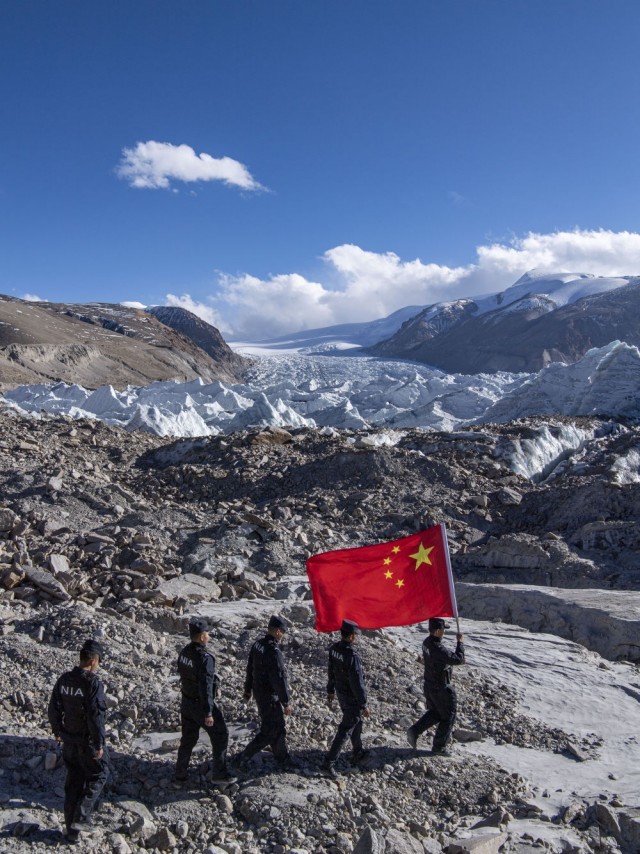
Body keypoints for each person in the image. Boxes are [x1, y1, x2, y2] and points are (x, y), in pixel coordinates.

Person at [48, 639, 109, 843]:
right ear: (93, 661)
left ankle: (71, 832)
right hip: (87, 742)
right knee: (100, 774)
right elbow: (95, 716)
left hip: (69, 741)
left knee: (73, 781)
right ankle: (82, 817)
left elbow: (53, 707)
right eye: (98, 661)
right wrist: (99, 744)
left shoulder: (64, 679)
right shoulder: (92, 683)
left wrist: (57, 730)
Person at [175, 617, 235, 786]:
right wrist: (208, 712)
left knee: (188, 739)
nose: (209, 636)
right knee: (221, 734)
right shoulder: (205, 658)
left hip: (186, 701)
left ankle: (179, 776)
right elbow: (206, 686)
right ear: (202, 637)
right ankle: (220, 774)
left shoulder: (184, 652)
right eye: (207, 633)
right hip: (200, 704)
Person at [237, 615, 293, 771]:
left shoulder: (257, 645)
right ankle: (244, 756)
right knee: (269, 730)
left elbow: (250, 668)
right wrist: (286, 702)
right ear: (277, 631)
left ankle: (282, 757)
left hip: (258, 692)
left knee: (278, 726)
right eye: (282, 632)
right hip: (269, 696)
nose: (283, 635)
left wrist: (247, 690)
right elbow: (279, 679)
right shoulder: (274, 652)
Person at [406, 617, 465, 756]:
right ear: (438, 631)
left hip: (429, 685)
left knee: (436, 713)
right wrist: (460, 643)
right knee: (448, 716)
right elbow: (459, 659)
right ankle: (439, 747)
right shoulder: (439, 649)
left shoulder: (426, 643)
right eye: (443, 629)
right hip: (441, 687)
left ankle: (414, 731)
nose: (444, 632)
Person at [322, 619, 370, 776]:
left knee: (356, 721)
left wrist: (330, 689)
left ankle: (358, 751)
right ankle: (329, 762)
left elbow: (331, 670)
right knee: (346, 729)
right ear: (350, 636)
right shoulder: (352, 656)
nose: (356, 637)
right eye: (355, 635)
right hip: (352, 697)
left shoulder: (334, 649)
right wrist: (363, 704)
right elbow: (357, 683)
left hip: (341, 693)